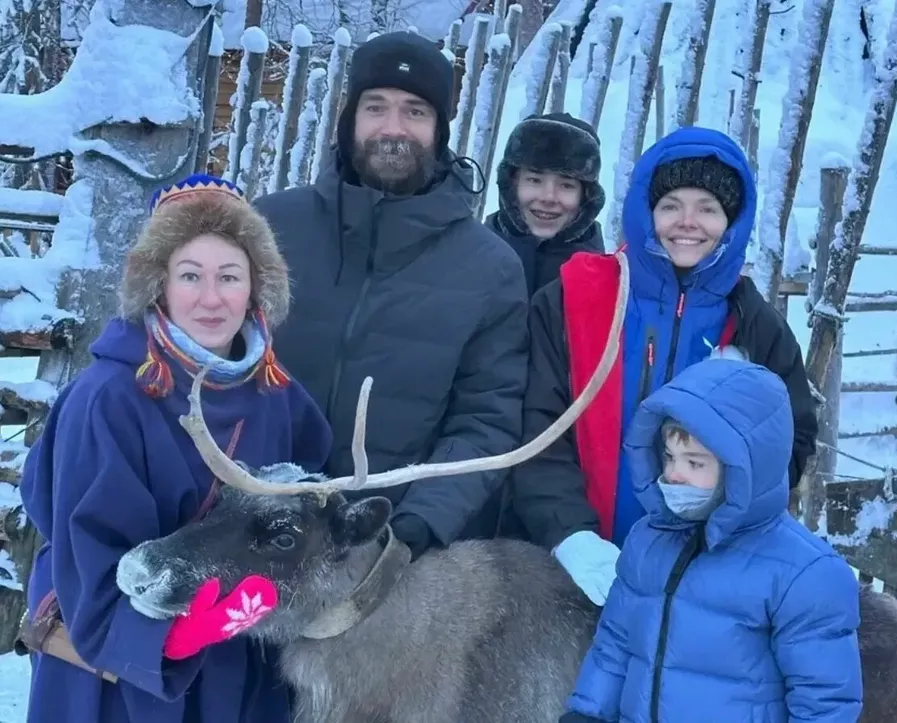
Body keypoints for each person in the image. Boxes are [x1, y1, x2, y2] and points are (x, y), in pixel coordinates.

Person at [17, 174, 333, 723]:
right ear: (157, 284)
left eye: (229, 276)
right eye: (191, 275)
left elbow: (311, 509)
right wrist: (178, 634)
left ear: (256, 288)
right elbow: (85, 554)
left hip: (239, 661)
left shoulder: (278, 395)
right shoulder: (108, 399)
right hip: (119, 674)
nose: (211, 299)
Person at [509, 126, 818, 605]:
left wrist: (723, 523)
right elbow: (536, 427)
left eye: (708, 208)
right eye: (671, 204)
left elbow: (788, 442)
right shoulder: (575, 299)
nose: (687, 222)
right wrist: (569, 533)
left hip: (700, 576)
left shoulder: (755, 327)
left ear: (733, 221)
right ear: (645, 211)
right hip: (575, 570)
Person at [253, 31, 529, 559]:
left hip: (378, 549)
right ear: (349, 119)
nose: (393, 129)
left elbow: (486, 421)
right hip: (247, 524)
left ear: (440, 131)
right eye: (375, 107)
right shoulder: (270, 226)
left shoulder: (489, 268)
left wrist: (418, 525)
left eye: (415, 112)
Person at [559, 357, 862, 723]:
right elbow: (616, 645)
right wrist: (587, 713)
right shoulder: (648, 543)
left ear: (745, 469)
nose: (674, 474)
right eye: (670, 457)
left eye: (695, 463)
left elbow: (825, 704)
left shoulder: (804, 575)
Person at [486, 112, 605, 295]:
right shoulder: (472, 257)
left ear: (586, 197)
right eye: (534, 180)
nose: (548, 197)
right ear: (512, 185)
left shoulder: (603, 281)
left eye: (566, 185)